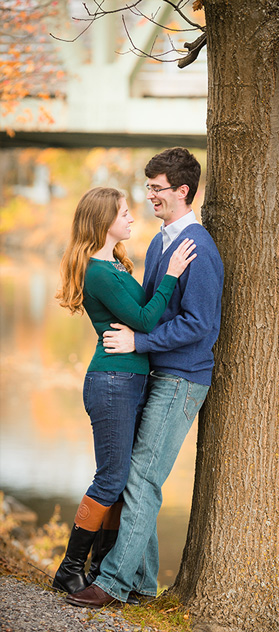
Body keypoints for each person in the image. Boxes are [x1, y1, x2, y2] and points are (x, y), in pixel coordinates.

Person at [66, 148, 224, 607]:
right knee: (139, 479)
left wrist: (138, 345)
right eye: (149, 187)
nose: (150, 195)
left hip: (182, 378)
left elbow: (201, 325)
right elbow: (146, 313)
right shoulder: (159, 242)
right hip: (156, 374)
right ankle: (140, 585)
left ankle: (113, 583)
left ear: (183, 191)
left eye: (157, 189)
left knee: (141, 480)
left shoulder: (199, 247)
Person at [53, 187, 196, 594]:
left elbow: (142, 319)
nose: (132, 217)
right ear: (104, 222)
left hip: (128, 381)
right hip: (112, 382)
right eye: (124, 212)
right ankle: (71, 567)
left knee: (121, 480)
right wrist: (171, 276)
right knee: (111, 479)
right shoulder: (97, 272)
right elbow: (146, 321)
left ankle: (100, 565)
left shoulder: (114, 265)